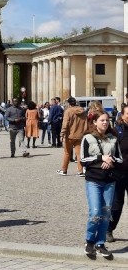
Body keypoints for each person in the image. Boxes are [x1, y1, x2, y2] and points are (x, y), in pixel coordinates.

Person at [81, 109, 122, 260]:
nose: (105, 122)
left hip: (109, 181)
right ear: (94, 122)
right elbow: (83, 160)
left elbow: (120, 159)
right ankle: (89, 241)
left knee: (105, 214)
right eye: (102, 120)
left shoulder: (113, 138)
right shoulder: (87, 138)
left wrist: (110, 160)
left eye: (107, 120)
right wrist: (101, 158)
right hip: (94, 181)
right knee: (95, 212)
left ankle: (100, 243)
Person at [107, 104, 128, 243]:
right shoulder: (116, 131)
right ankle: (109, 229)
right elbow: (110, 150)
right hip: (120, 172)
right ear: (122, 115)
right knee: (116, 204)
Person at [57, 97, 87, 176]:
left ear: (69, 103)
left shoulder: (68, 111)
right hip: (80, 135)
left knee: (67, 153)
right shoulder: (83, 111)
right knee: (79, 154)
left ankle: (64, 170)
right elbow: (85, 123)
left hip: (69, 135)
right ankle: (80, 171)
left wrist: (62, 134)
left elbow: (65, 124)